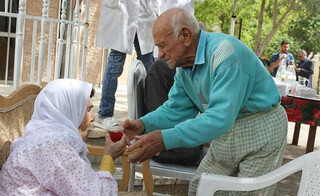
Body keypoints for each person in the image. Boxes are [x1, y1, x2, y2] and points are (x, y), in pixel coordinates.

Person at [123, 8, 288, 195]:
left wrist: (164, 139)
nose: (160, 54)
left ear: (185, 35)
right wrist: (144, 124)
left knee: (248, 192)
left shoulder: (224, 53)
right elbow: (175, 109)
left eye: (163, 45)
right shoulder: (184, 68)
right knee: (202, 188)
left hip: (261, 129)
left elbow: (219, 119)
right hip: (228, 131)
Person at [0, 79, 128, 195]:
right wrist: (109, 157)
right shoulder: (53, 146)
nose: (93, 117)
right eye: (88, 110)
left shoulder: (44, 140)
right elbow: (96, 193)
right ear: (69, 111)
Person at [95, 0, 159, 129]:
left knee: (149, 69)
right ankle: (105, 114)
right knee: (114, 67)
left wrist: (156, 12)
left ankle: (149, 116)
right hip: (122, 16)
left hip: (144, 17)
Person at [145, 59, 205, 165]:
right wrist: (142, 123)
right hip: (180, 149)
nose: (160, 54)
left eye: (163, 45)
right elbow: (171, 112)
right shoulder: (165, 69)